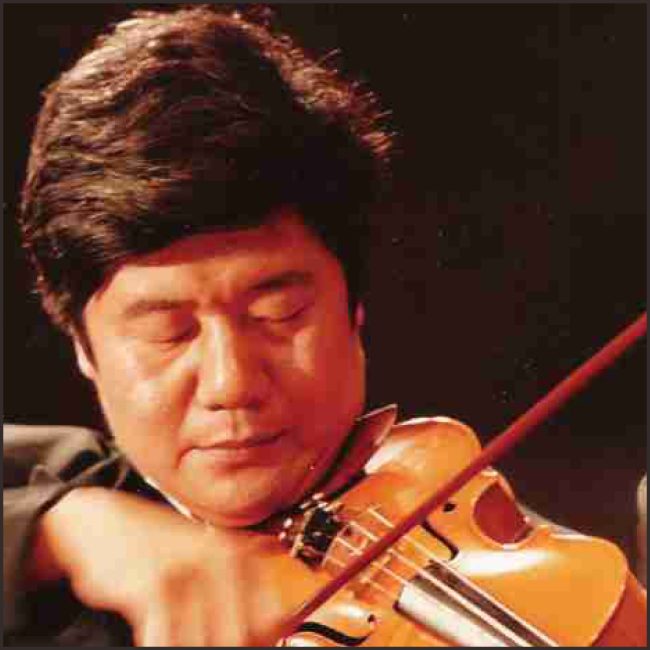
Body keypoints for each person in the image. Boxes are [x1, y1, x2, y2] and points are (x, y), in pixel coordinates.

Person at [4, 5, 646, 647]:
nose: (231, 385)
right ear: (83, 346)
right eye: (168, 333)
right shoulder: (65, 496)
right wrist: (67, 531)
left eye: (278, 315)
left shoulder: (527, 579)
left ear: (353, 308)